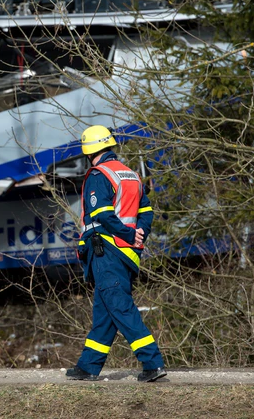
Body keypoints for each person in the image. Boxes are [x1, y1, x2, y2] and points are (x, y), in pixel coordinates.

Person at [66, 125, 166, 382]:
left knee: (120, 308)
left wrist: (128, 234)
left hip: (107, 251)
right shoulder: (130, 174)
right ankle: (88, 366)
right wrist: (138, 233)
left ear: (89, 151)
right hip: (126, 254)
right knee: (104, 312)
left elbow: (102, 215)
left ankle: (152, 362)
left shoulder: (99, 175)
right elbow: (146, 212)